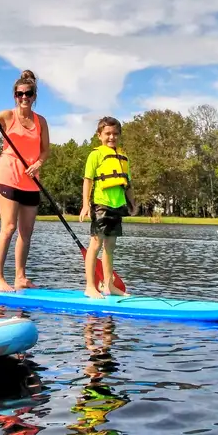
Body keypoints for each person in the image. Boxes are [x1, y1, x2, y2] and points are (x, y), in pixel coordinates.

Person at [0, 69, 50, 292]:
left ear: (34, 96)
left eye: (28, 93)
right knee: (8, 227)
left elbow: (45, 150)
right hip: (8, 176)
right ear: (15, 95)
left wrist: (39, 164)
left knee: (27, 231)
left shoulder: (41, 121)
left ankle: (20, 277)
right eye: (19, 94)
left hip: (31, 180)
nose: (24, 97)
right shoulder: (7, 116)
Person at [79, 116, 134, 298]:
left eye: (115, 134)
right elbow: (87, 180)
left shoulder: (123, 157)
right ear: (99, 135)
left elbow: (128, 184)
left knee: (110, 247)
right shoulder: (95, 154)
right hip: (101, 204)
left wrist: (132, 203)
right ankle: (90, 286)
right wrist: (85, 205)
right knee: (96, 244)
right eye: (108, 133)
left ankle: (109, 286)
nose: (112, 137)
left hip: (117, 205)